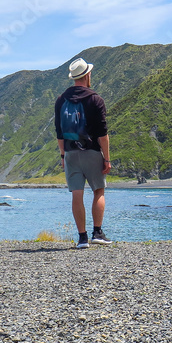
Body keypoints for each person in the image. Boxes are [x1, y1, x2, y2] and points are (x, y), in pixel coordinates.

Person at [55, 58, 112, 248]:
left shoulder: (61, 100)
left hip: (71, 153)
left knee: (76, 194)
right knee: (99, 191)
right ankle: (98, 232)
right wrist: (107, 158)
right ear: (87, 75)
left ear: (74, 78)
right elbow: (102, 134)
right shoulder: (95, 99)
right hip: (92, 152)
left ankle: (82, 238)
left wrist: (63, 155)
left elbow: (59, 132)